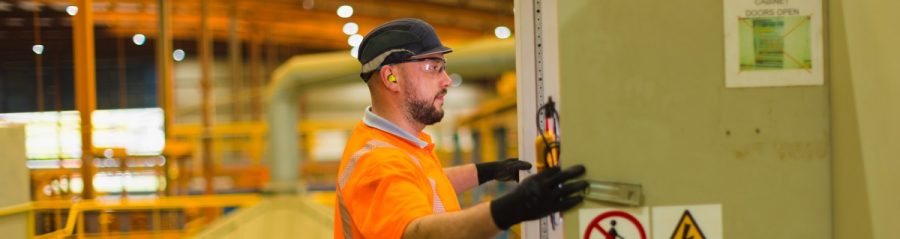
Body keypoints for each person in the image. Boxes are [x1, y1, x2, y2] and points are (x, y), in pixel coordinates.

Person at [334, 18, 588, 239]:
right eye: (434, 67)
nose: (446, 81)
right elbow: (419, 233)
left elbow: (427, 184)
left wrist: (488, 171)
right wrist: (514, 208)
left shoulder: (398, 142)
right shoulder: (377, 161)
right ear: (391, 77)